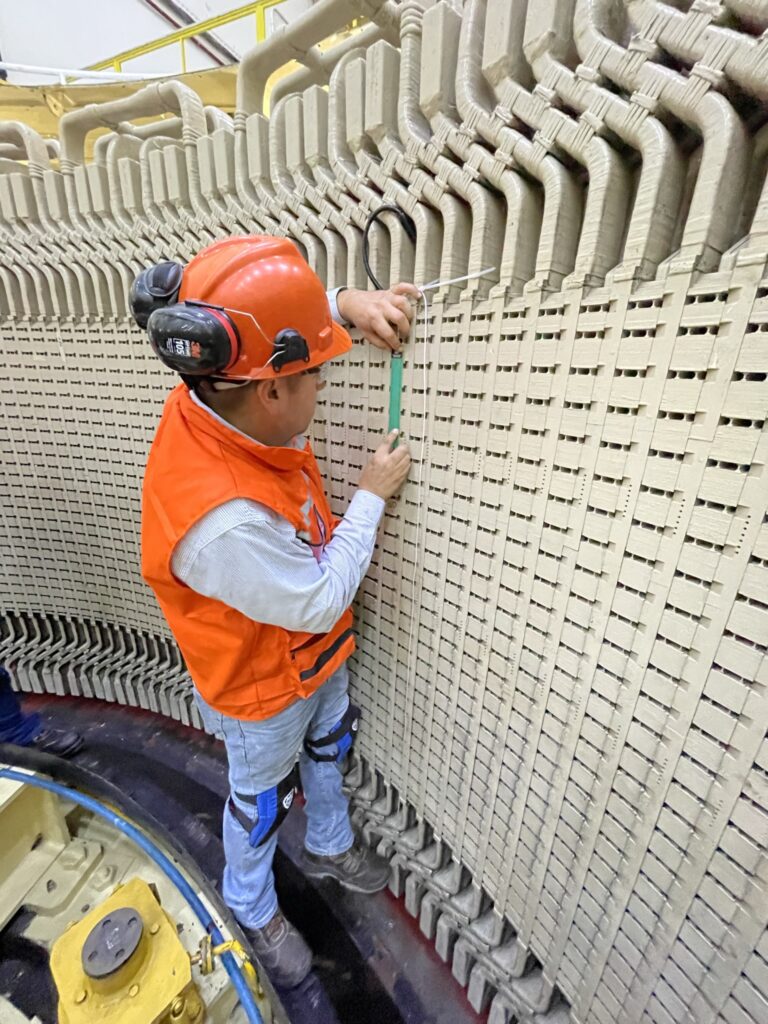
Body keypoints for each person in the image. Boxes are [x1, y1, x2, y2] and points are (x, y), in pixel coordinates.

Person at [135, 236, 417, 989]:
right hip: (259, 690)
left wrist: (345, 307)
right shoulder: (219, 520)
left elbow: (260, 330)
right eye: (317, 376)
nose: (321, 388)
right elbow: (322, 594)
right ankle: (250, 904)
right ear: (271, 391)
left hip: (312, 659)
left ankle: (327, 842)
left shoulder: (217, 384)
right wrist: (370, 497)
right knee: (259, 803)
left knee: (331, 742)